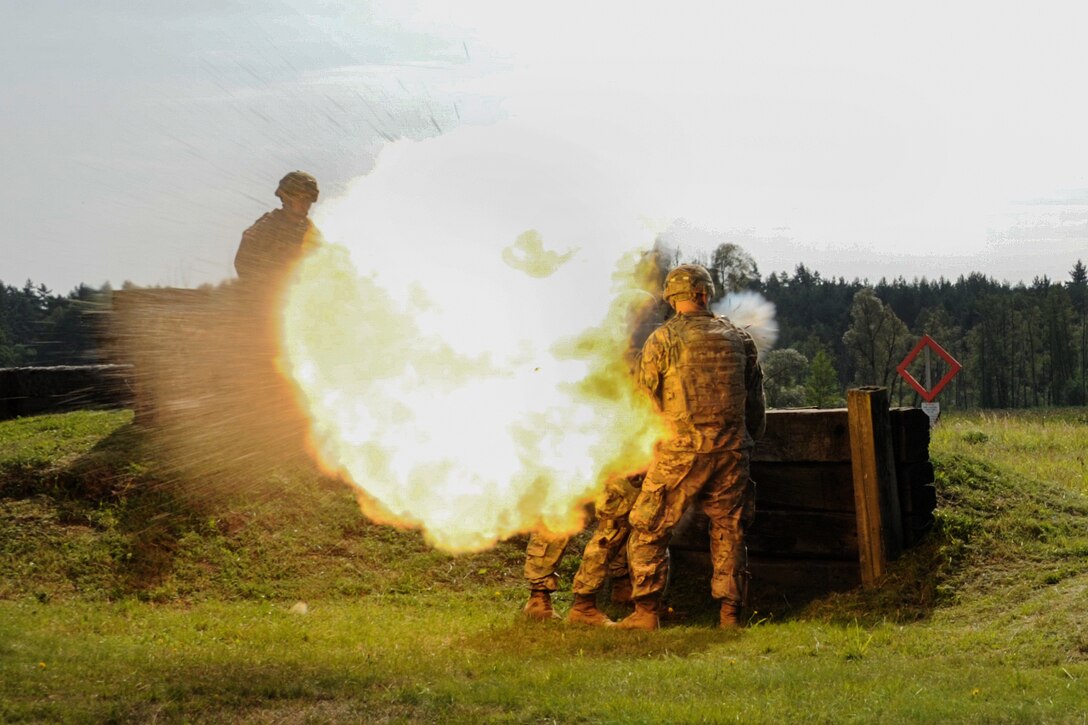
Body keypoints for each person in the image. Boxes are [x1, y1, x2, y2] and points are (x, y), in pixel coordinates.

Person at [618, 264, 766, 630]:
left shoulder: (663, 340)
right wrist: (747, 442)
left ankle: (646, 612)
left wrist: (645, 450)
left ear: (673, 298)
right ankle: (730, 615)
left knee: (649, 526)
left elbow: (645, 402)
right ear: (705, 294)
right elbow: (755, 403)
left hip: (680, 451)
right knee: (729, 530)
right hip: (732, 451)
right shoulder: (740, 339)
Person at [234, 170, 324, 287]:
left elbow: (320, 265)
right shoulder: (267, 226)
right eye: (301, 197)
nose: (305, 204)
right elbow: (243, 262)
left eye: (309, 199)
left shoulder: (311, 231)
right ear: (287, 198)